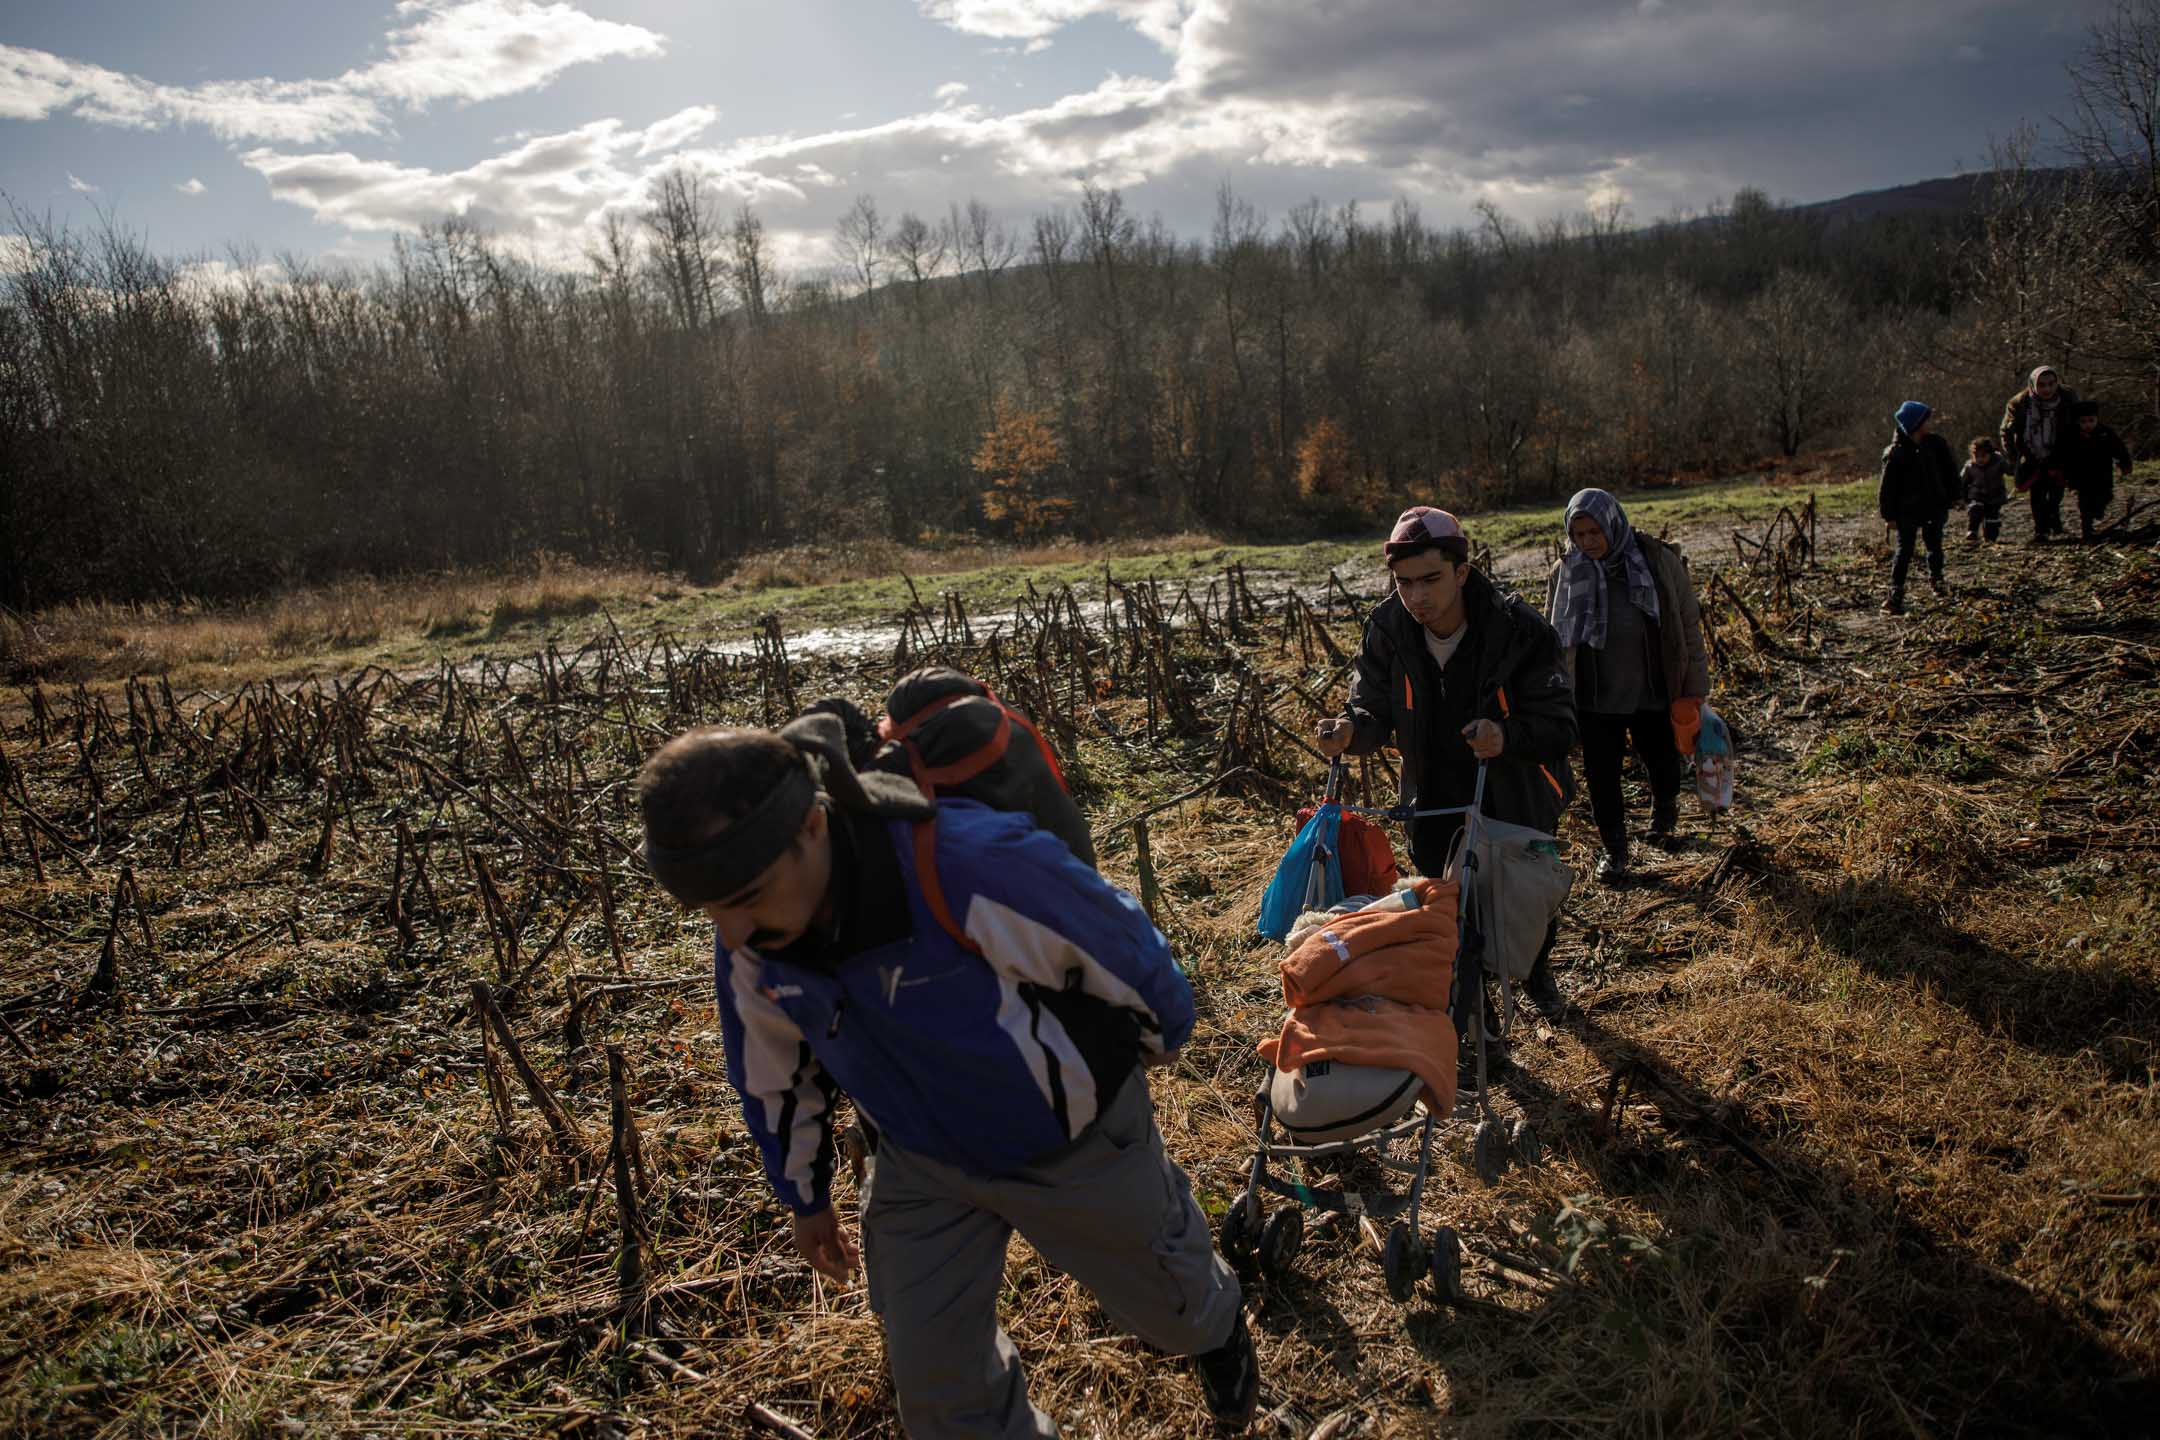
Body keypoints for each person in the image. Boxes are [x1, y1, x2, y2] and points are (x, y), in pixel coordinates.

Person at [637, 718, 1256, 1437]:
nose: (732, 934)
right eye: (709, 913)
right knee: (940, 1394)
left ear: (811, 826)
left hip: (1071, 1141)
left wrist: (1153, 1048)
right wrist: (804, 1197)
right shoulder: (752, 935)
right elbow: (770, 1074)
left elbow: (1118, 943)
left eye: (745, 898)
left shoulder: (961, 865)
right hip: (920, 1163)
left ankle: (1218, 1333)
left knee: (1175, 1310)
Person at [1313, 506, 1578, 1017]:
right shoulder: (1389, 628)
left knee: (1523, 901)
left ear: (1462, 570)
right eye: (1404, 582)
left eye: (1431, 579)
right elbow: (1371, 707)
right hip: (1431, 796)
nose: (1417, 597)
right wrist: (1350, 732)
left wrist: (1505, 736)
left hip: (1513, 792)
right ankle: (1478, 1024)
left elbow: (1561, 724)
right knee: (1447, 915)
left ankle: (1537, 969)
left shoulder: (1519, 631)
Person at [1545, 489, 1710, 887]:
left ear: (1613, 524)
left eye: (1594, 532)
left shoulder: (1656, 561)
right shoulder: (1566, 573)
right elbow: (1553, 641)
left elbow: (1687, 624)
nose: (1587, 542)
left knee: (1663, 762)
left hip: (1652, 691)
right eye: (1578, 534)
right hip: (1595, 699)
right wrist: (1554, 697)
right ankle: (1615, 850)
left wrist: (1694, 687)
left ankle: (1664, 810)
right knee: (1602, 776)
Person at [1878, 400, 1959, 615]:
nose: (1929, 423)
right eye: (1925, 420)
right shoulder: (1895, 453)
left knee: (1935, 546)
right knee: (1904, 551)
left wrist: (1955, 495)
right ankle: (1895, 592)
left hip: (1934, 506)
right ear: (1915, 424)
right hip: (1907, 512)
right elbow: (1887, 489)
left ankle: (1937, 579)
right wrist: (1889, 515)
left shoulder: (1936, 444)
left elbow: (1949, 471)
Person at [1999, 365, 2079, 542]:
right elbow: (2006, 431)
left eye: (2051, 384)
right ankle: (2040, 530)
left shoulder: (2068, 397)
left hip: (2059, 451)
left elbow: (2077, 424)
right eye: (2042, 385)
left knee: (2056, 490)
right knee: (2037, 493)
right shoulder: (2019, 403)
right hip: (2032, 453)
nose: (2047, 389)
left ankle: (2054, 517)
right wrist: (2014, 456)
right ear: (2033, 385)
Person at [2062, 399, 2134, 543]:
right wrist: (2062, 472)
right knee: (2085, 505)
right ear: (2077, 421)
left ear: (2097, 419)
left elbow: (2119, 449)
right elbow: (2062, 454)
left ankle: (2098, 511)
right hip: (2081, 477)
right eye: (2083, 421)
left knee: (2106, 497)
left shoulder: (2106, 433)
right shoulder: (2071, 436)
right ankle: (2087, 530)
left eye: (2091, 421)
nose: (2087, 425)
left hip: (2103, 475)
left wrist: (2125, 464)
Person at [1960, 436, 2010, 544]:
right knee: (1975, 511)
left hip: (1995, 495)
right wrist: (1963, 496)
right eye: (1976, 456)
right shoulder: (1970, 466)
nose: (1980, 459)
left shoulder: (1999, 462)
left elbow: (2009, 470)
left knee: (1992, 518)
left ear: (1990, 454)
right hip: (1977, 494)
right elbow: (1963, 482)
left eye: (1983, 456)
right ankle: (1972, 531)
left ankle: (1990, 537)